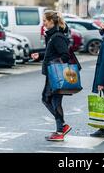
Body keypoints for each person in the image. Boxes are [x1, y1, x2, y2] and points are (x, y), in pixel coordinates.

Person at [31, 10, 71, 142]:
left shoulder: (57, 36)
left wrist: (53, 65)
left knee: (51, 100)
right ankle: (62, 127)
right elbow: (52, 52)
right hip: (52, 73)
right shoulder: (52, 36)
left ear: (51, 21)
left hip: (56, 74)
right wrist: (40, 55)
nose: (43, 23)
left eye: (45, 21)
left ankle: (61, 129)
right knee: (49, 99)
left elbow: (65, 55)